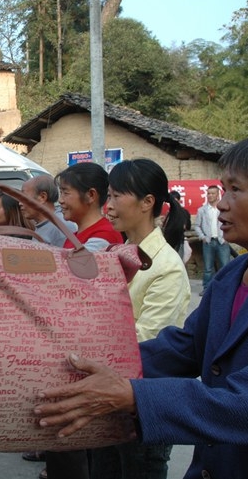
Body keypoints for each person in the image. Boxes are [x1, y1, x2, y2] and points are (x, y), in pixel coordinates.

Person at [34, 130, 248, 479]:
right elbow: (184, 346)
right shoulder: (232, 277)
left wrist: (133, 395)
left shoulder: (169, 266)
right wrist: (92, 366)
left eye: (236, 190)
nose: (221, 204)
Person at [90, 158, 192, 479]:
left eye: (118, 195)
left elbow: (148, 340)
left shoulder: (167, 268)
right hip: (110, 392)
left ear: (148, 202)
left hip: (145, 402)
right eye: (109, 194)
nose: (109, 205)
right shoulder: (119, 253)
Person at [44, 161, 124, 479]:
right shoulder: (76, 235)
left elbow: (70, 287)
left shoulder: (102, 238)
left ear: (90, 195)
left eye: (65, 192)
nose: (59, 200)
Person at [20, 175, 77, 247]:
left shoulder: (61, 227)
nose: (20, 203)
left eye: (24, 197)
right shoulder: (43, 225)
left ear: (42, 197)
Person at [194, 184, 231, 295]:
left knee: (225, 266)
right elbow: (197, 226)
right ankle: (207, 288)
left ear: (217, 195)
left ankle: (227, 288)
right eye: (208, 193)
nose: (210, 195)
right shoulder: (202, 210)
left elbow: (231, 223)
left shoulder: (223, 208)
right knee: (208, 267)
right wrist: (202, 237)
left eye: (212, 193)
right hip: (209, 242)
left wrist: (226, 237)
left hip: (222, 241)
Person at [166, 190, 192, 263]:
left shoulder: (183, 212)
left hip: (179, 240)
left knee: (178, 262)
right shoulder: (169, 213)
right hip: (168, 241)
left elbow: (187, 226)